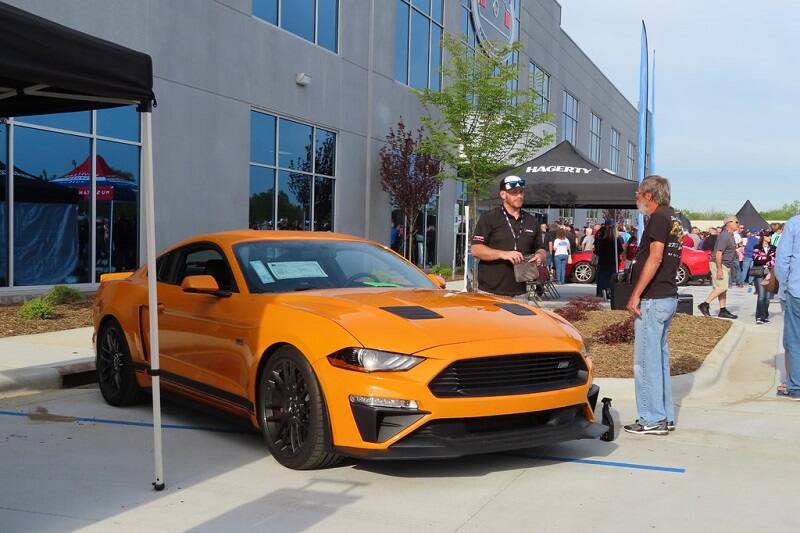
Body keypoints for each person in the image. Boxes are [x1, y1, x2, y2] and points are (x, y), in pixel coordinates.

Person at [624, 175, 682, 435]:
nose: (636, 198)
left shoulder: (659, 218)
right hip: (667, 297)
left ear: (649, 195)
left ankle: (651, 418)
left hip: (654, 299)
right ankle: (664, 415)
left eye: (638, 193)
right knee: (658, 360)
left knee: (646, 362)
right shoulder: (674, 218)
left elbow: (656, 257)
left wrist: (636, 293)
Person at [471, 175, 546, 302]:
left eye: (521, 192)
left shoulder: (532, 221)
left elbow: (541, 249)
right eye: (513, 193)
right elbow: (476, 249)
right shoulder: (489, 218)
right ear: (503, 194)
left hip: (521, 292)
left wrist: (540, 256)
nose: (519, 196)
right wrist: (502, 254)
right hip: (490, 292)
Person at [776, 215, 800, 400]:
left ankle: (796, 385)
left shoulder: (794, 224)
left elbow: (782, 260)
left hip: (797, 290)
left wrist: (785, 286)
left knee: (794, 339)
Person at [698, 215, 739, 319]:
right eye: (736, 222)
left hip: (725, 264)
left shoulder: (730, 235)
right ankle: (705, 304)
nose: (738, 224)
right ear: (729, 223)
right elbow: (718, 253)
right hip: (719, 264)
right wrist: (719, 269)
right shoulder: (725, 236)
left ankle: (723, 310)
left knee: (723, 289)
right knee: (722, 287)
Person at [593, 219, 623, 299]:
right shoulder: (616, 240)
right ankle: (611, 292)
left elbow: (597, 250)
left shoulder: (602, 239)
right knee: (612, 278)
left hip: (603, 261)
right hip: (613, 261)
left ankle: (601, 292)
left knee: (602, 277)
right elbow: (621, 250)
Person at [751, 233, 775, 324]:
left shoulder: (773, 248)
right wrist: (768, 258)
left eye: (769, 236)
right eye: (767, 236)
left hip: (770, 273)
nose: (769, 237)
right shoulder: (757, 247)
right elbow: (756, 259)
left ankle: (765, 315)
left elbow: (774, 260)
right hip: (760, 273)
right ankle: (759, 317)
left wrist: (764, 258)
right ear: (763, 237)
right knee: (761, 296)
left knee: (768, 297)